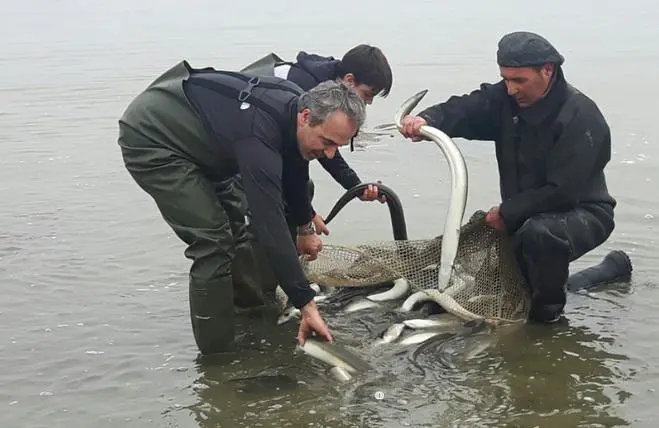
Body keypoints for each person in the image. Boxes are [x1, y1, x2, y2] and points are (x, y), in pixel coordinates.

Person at [117, 59, 366, 355]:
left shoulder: (294, 108)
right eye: (326, 142)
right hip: (155, 138)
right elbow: (268, 219)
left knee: (235, 229)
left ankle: (248, 311)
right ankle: (217, 358)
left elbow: (297, 169)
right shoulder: (258, 133)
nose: (329, 153)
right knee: (213, 241)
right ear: (305, 116)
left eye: (338, 146)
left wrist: (303, 226)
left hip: (210, 144)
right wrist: (305, 302)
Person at [399, 31, 616, 323]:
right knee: (526, 275)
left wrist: (509, 212)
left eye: (520, 80)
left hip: (583, 212)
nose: (511, 89)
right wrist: (428, 120)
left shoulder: (581, 117)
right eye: (506, 79)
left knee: (539, 236)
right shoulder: (507, 98)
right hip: (527, 214)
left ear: (547, 70)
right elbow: (468, 108)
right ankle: (610, 270)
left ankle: (548, 322)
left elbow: (563, 191)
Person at [241, 44, 393, 237]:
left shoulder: (330, 88)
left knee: (303, 192)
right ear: (349, 80)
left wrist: (356, 186)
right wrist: (307, 221)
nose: (369, 102)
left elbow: (326, 149)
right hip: (240, 142)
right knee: (269, 209)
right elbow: (296, 166)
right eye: (368, 94)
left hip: (262, 143)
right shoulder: (307, 91)